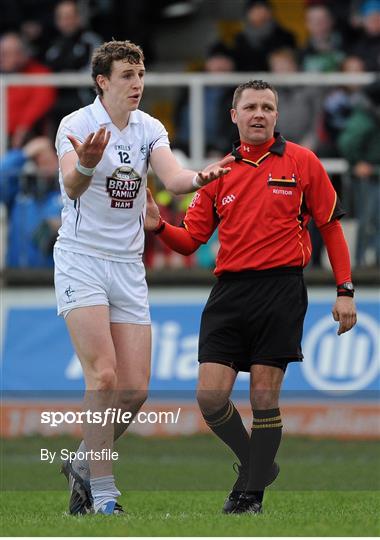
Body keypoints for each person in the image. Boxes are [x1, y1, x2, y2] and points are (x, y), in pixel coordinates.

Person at [144, 80, 357, 515]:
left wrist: (345, 290)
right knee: (209, 398)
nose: (259, 114)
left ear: (276, 116)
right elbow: (191, 242)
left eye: (267, 107)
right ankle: (256, 464)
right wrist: (159, 227)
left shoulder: (303, 162)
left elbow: (331, 226)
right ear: (235, 115)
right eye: (251, 107)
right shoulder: (217, 172)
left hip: (281, 289)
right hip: (229, 292)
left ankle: (250, 492)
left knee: (264, 398)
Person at [55, 39, 234, 516]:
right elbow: (72, 182)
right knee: (105, 375)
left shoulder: (149, 126)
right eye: (127, 76)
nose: (137, 84)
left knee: (134, 391)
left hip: (129, 264)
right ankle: (104, 491)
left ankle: (80, 462)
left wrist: (202, 177)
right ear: (102, 81)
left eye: (141, 75)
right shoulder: (76, 125)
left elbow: (172, 177)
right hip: (81, 258)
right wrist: (89, 163)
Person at [0, 136, 60, 268]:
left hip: (53, 279)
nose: (44, 161)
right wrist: (24, 153)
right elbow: (2, 176)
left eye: (49, 156)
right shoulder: (18, 193)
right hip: (17, 278)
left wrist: (62, 224)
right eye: (39, 158)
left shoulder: (69, 193)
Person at [338, 80, 380, 267]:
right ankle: (361, 264)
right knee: (369, 220)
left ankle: (363, 263)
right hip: (370, 176)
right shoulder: (366, 116)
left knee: (371, 220)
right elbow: (347, 142)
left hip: (373, 172)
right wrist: (358, 163)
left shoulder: (365, 114)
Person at [0, 32, 57, 148]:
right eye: (3, 54)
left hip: (25, 137)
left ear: (23, 53)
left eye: (9, 54)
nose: (4, 58)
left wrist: (23, 126)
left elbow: (42, 101)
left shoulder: (39, 73)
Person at [231, 0, 296, 72]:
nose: (261, 13)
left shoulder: (285, 36)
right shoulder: (240, 39)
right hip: (246, 81)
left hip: (276, 81)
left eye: (264, 8)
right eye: (256, 9)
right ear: (248, 14)